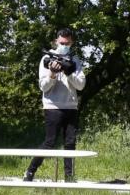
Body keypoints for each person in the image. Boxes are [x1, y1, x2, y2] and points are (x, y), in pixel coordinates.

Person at [23, 28, 86, 182]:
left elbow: (81, 85)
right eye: (62, 42)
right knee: (50, 142)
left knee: (70, 144)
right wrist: (52, 74)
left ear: (71, 42)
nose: (64, 45)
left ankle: (69, 178)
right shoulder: (47, 58)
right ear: (56, 41)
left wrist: (68, 72)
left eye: (67, 43)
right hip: (53, 107)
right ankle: (30, 172)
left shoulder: (75, 59)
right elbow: (43, 87)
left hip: (71, 106)